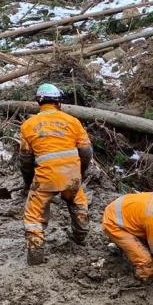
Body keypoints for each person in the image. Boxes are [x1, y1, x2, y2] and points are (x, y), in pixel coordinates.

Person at [19, 83, 93, 266]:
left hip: (45, 178)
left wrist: (28, 183)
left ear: (39, 102)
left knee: (34, 215)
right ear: (58, 102)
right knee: (78, 203)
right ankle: (80, 236)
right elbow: (86, 152)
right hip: (72, 175)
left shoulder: (28, 125)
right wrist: (80, 173)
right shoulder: (73, 122)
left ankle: (36, 253)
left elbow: (26, 161)